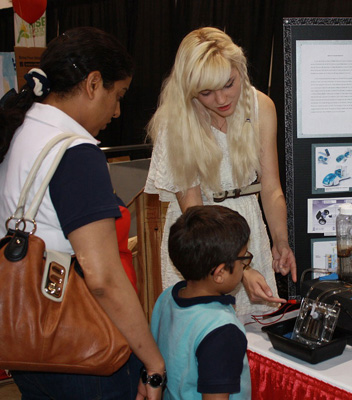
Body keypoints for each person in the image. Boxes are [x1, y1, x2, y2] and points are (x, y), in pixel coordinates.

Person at [0, 27, 165, 400]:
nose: (117, 111)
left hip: (25, 339)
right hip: (81, 348)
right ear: (93, 83)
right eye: (117, 95)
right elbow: (103, 278)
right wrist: (153, 362)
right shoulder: (75, 152)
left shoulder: (20, 130)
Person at [145, 27, 297, 316]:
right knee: (204, 327)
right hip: (201, 239)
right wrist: (240, 267)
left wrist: (281, 242)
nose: (221, 99)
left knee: (255, 331)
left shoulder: (261, 107)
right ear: (190, 89)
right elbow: (195, 212)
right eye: (206, 92)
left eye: (229, 84)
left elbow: (271, 188)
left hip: (247, 230)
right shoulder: (175, 121)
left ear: (240, 69)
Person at [151, 205, 252, 399]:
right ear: (220, 273)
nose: (244, 266)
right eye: (243, 260)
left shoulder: (167, 297)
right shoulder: (222, 331)